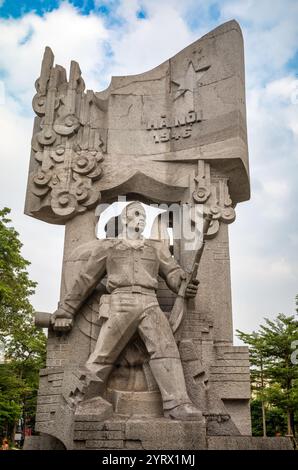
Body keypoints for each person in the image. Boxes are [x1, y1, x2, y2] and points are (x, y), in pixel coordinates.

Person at [52, 202, 202, 420]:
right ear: (124, 219)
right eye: (136, 214)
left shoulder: (155, 247)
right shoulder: (108, 247)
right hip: (120, 301)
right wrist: (66, 310)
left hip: (150, 302)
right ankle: (82, 400)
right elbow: (86, 279)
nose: (141, 218)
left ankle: (177, 404)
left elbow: (172, 273)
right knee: (103, 354)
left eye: (143, 215)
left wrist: (183, 282)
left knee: (166, 350)